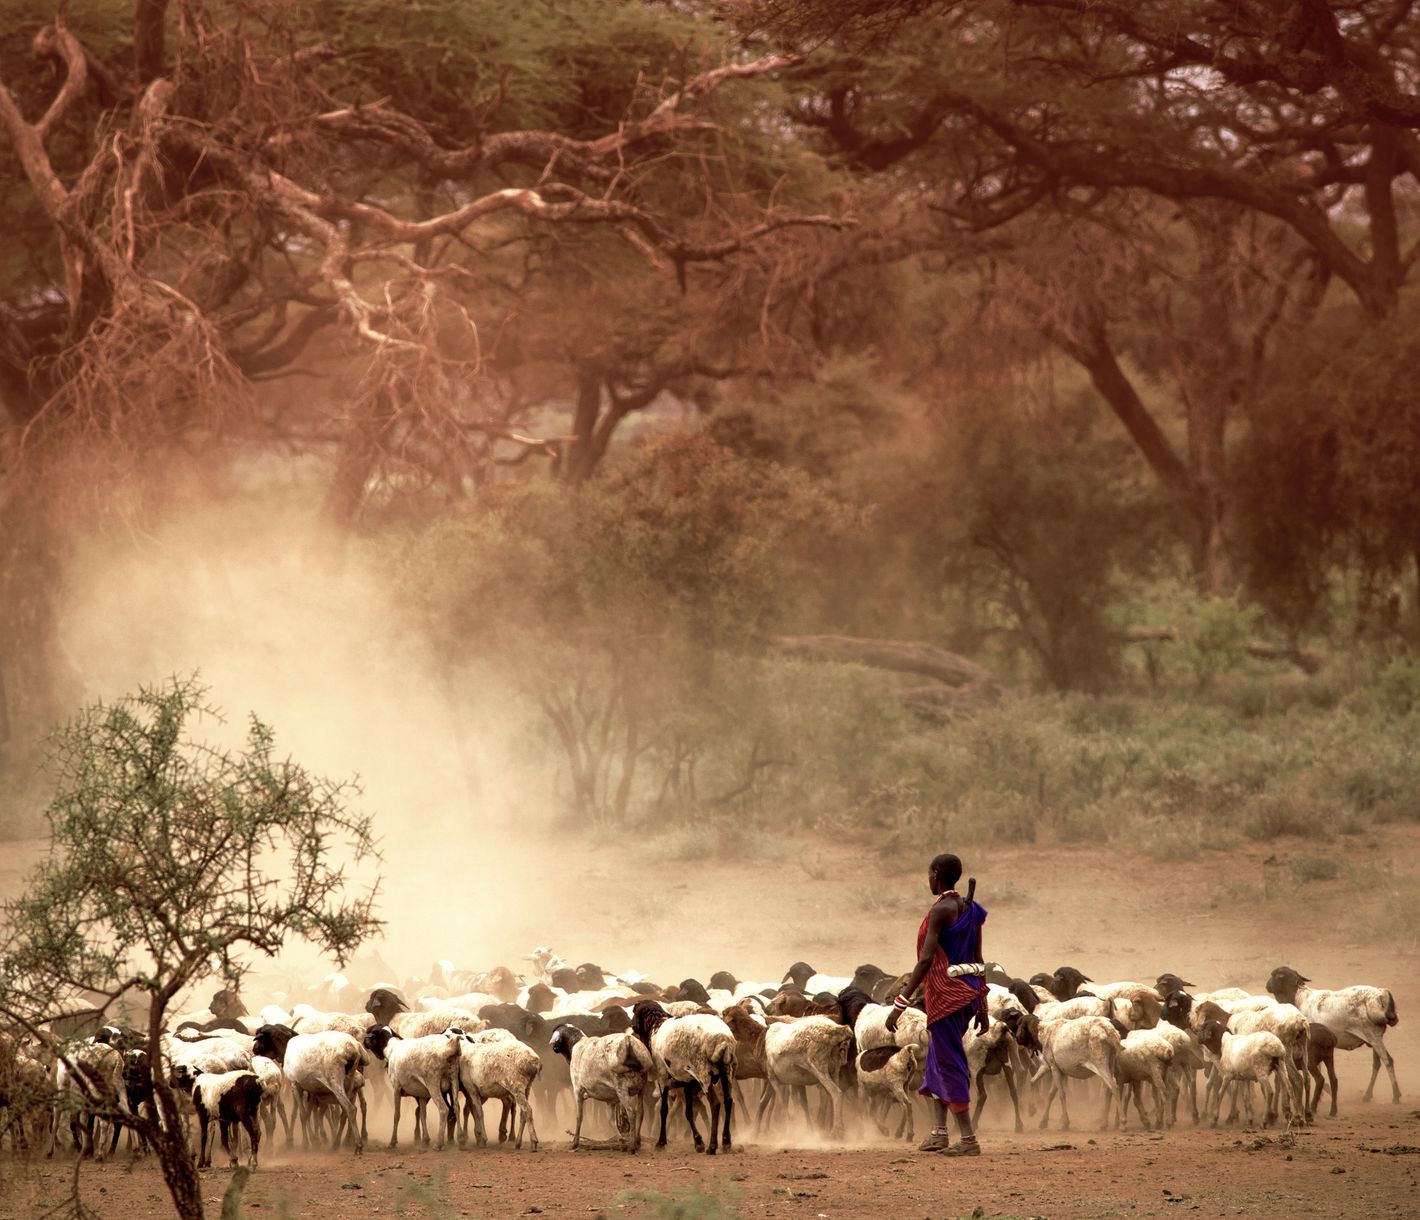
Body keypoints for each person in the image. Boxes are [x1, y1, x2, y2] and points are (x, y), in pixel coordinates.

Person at [886, 851, 988, 1155]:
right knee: (936, 1060)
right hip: (968, 993)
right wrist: (982, 1004)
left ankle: (968, 1140)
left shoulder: (940, 910)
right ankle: (939, 1132)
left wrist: (900, 1003)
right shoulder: (969, 909)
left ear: (936, 874)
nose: (927, 880)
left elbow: (927, 959)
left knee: (949, 1062)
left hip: (946, 996)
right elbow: (978, 960)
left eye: (929, 875)